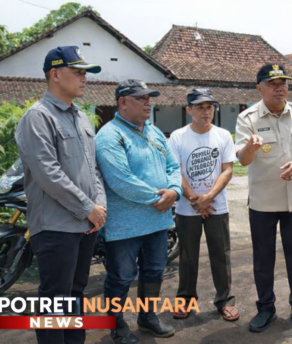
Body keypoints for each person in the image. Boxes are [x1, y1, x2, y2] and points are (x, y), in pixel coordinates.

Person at [15, 46, 107, 344]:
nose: (84, 78)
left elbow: (92, 168)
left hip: (86, 223)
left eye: (85, 73)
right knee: (55, 300)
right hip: (56, 226)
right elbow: (47, 173)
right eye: (77, 72)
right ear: (55, 74)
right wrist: (87, 208)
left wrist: (99, 207)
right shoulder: (38, 117)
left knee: (76, 294)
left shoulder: (80, 116)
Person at [235, 63, 292, 334]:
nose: (279, 88)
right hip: (263, 202)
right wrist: (250, 148)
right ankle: (266, 308)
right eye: (272, 84)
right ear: (259, 89)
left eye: (282, 83)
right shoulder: (248, 118)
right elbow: (243, 160)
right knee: (263, 259)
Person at [95, 79, 182, 344]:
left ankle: (148, 317)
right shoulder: (110, 135)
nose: (148, 102)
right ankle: (117, 326)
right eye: (141, 98)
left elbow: (173, 166)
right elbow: (121, 180)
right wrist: (160, 198)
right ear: (123, 102)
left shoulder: (154, 132)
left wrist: (174, 190)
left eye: (149, 97)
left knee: (154, 271)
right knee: (121, 277)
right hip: (125, 226)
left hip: (157, 221)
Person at [168, 88, 239, 322]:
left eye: (210, 107)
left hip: (217, 206)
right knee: (188, 256)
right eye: (200, 107)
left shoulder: (223, 135)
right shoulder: (178, 137)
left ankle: (225, 300)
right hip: (187, 208)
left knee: (221, 254)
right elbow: (175, 171)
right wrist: (195, 200)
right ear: (189, 110)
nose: (206, 112)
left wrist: (208, 197)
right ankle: (185, 299)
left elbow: (227, 169)